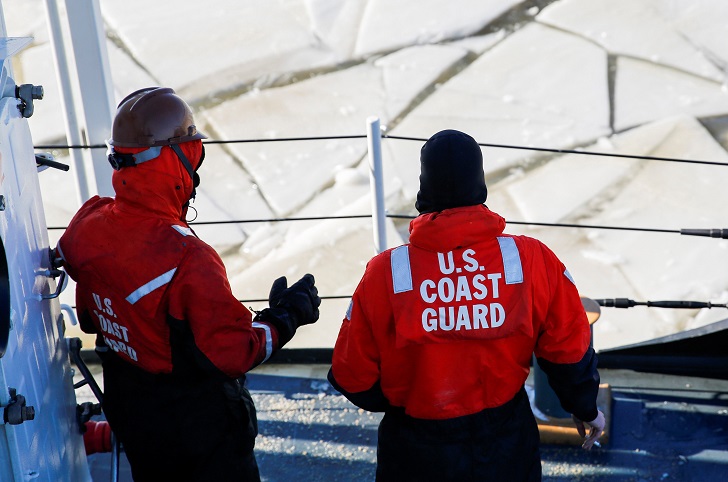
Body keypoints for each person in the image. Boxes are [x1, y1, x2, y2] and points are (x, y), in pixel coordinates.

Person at [57, 87, 321, 482]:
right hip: (200, 441)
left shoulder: (86, 224)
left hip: (140, 424)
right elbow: (233, 353)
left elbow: (95, 309)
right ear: (175, 158)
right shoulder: (188, 259)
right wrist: (286, 315)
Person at [329, 129, 604, 481]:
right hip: (506, 440)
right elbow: (567, 346)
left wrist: (405, 405)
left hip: (417, 448)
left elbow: (352, 375)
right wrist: (584, 406)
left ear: (424, 185)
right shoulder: (529, 258)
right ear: (480, 182)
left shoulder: (386, 272)